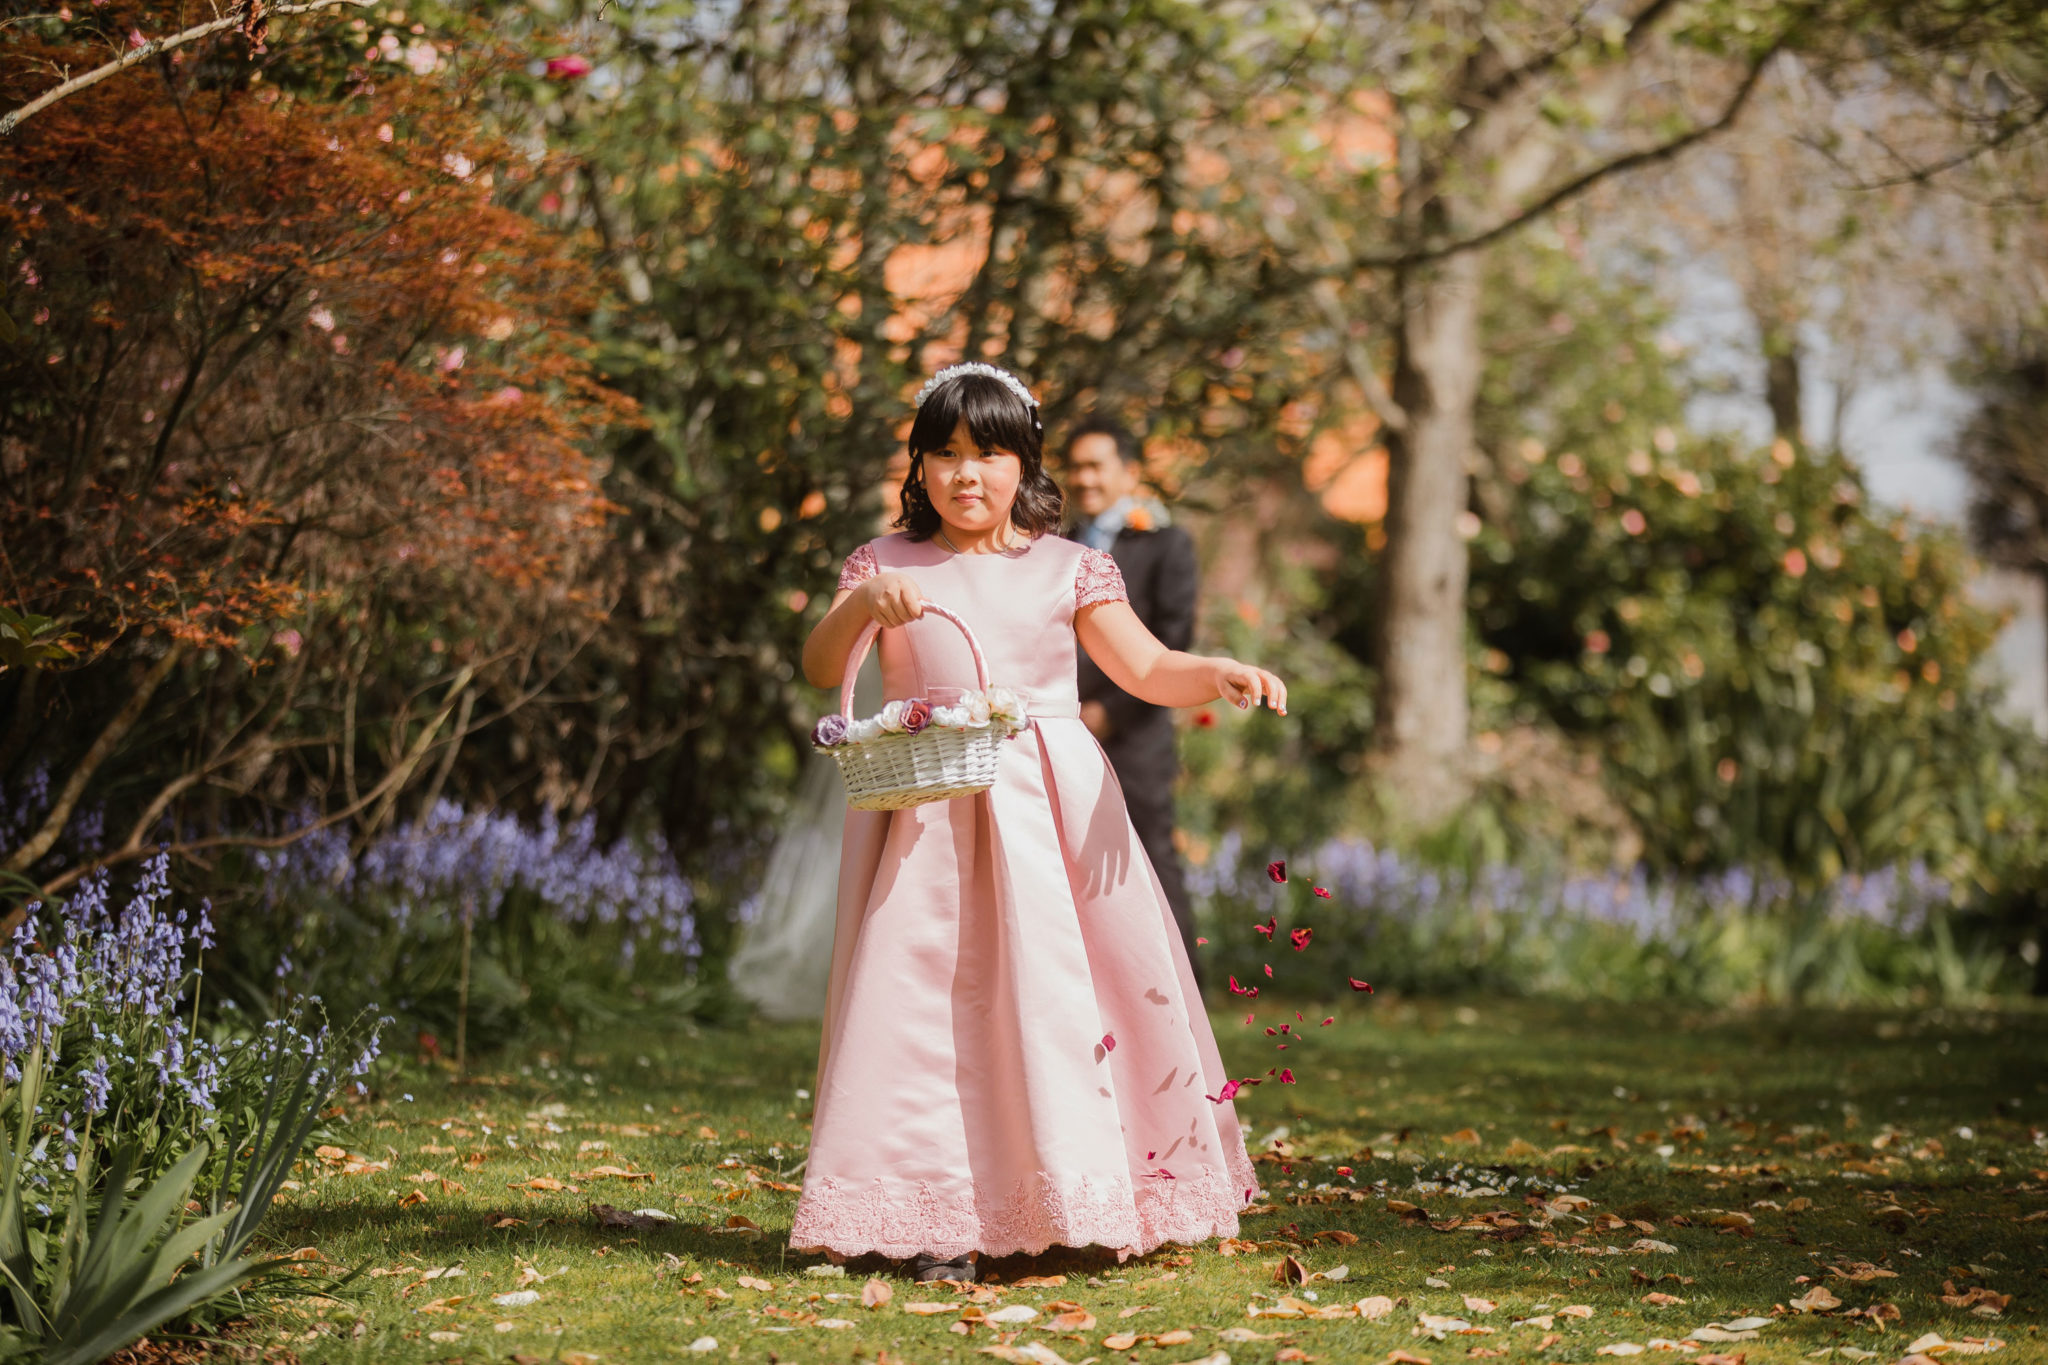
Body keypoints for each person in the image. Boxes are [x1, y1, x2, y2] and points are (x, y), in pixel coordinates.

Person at [790, 363, 1287, 1284]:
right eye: (943, 454)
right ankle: (929, 1210)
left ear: (1025, 465)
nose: (964, 474)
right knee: (924, 1004)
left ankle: (1077, 1192)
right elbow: (823, 663)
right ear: (919, 466)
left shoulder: (1069, 566)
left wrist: (1214, 669)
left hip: (1047, 815)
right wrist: (861, 603)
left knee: (1063, 999)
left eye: (988, 454)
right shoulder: (884, 562)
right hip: (929, 818)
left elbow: (1144, 666)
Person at [1061, 417, 1204, 989]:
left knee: (1150, 857)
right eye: (1076, 466)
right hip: (1061, 730)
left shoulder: (1166, 544)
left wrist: (1106, 712)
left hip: (1136, 734)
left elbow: (1173, 641)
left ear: (1130, 472)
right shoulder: (1055, 546)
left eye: (1097, 465)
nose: (1084, 478)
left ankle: (1182, 986)